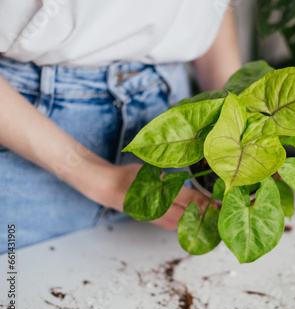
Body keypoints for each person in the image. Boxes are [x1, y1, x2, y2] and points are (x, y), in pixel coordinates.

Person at [0, 0, 242, 250]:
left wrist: (234, 124)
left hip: (171, 115)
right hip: (29, 132)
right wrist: (102, 180)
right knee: (21, 281)